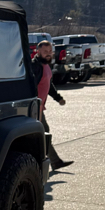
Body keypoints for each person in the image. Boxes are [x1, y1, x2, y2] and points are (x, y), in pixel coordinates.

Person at [33, 40, 73, 171]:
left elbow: (49, 86)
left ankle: (54, 162)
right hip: (34, 108)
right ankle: (47, 163)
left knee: (44, 133)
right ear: (38, 52)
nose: (48, 54)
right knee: (43, 134)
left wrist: (58, 98)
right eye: (45, 52)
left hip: (39, 107)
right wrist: (34, 105)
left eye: (50, 51)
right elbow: (31, 87)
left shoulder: (46, 65)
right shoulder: (36, 66)